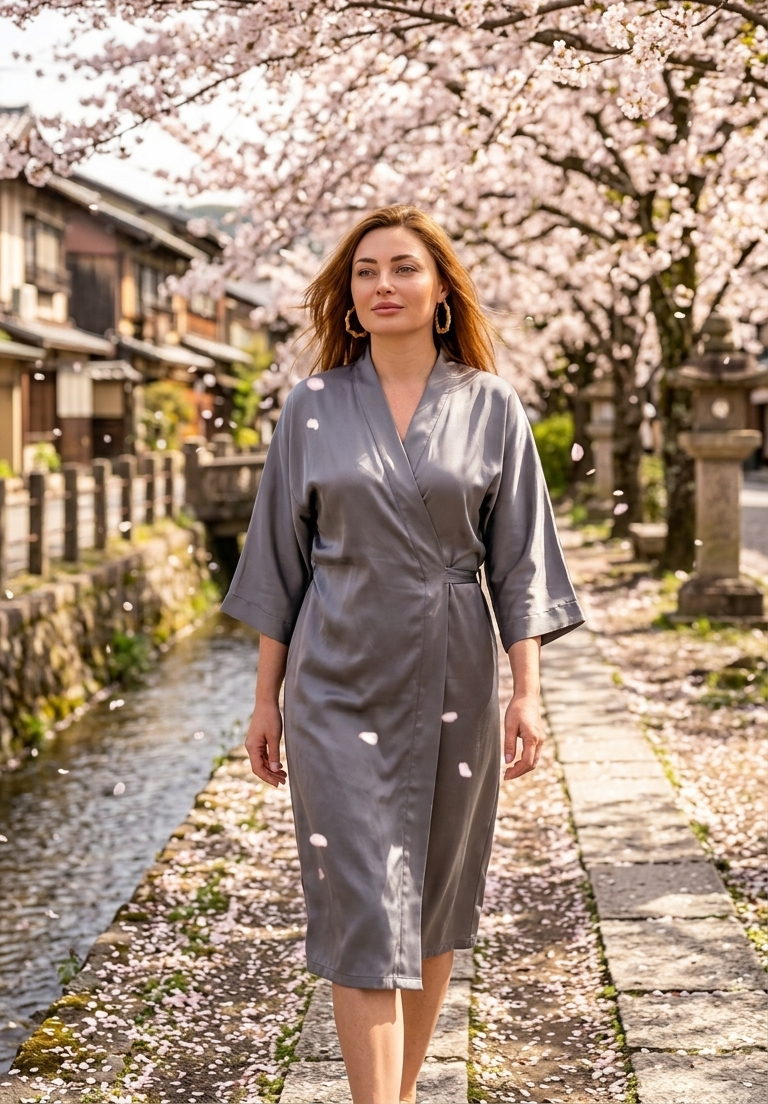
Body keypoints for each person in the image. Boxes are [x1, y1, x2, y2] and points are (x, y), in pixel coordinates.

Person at [222, 204, 583, 1104]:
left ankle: (403, 1094)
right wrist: (265, 702)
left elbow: (522, 561)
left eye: (404, 269)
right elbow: (277, 563)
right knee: (360, 905)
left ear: (440, 290)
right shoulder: (308, 409)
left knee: (429, 901)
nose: (384, 285)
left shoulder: (491, 405)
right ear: (347, 298)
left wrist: (526, 694)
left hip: (454, 664)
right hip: (334, 675)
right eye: (367, 272)